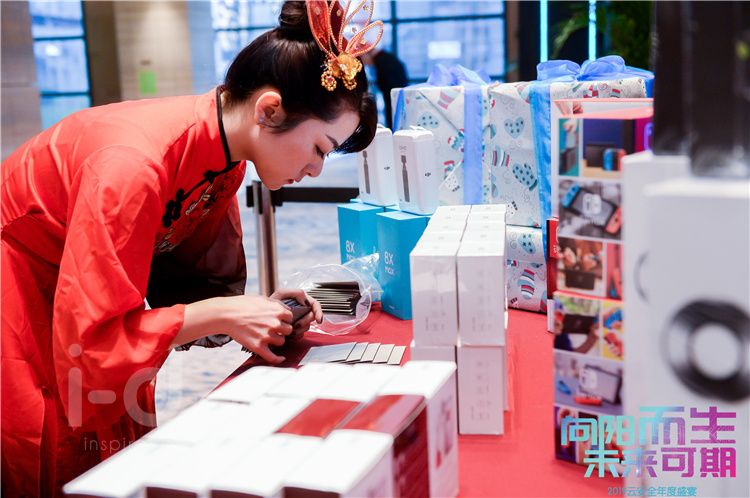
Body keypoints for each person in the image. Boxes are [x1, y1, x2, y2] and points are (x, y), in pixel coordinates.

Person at [0, 1, 379, 495]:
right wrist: (221, 313)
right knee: (55, 438)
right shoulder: (132, 165)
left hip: (89, 293)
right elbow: (91, 345)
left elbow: (190, 291)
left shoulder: (225, 159)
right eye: (319, 148)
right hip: (23, 288)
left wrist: (255, 312)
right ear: (269, 110)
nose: (316, 170)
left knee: (107, 436)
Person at [361, 48, 408, 129]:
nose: (365, 64)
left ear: (367, 54)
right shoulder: (386, 58)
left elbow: (386, 84)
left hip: (393, 97)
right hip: (396, 96)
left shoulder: (382, 61)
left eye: (363, 59)